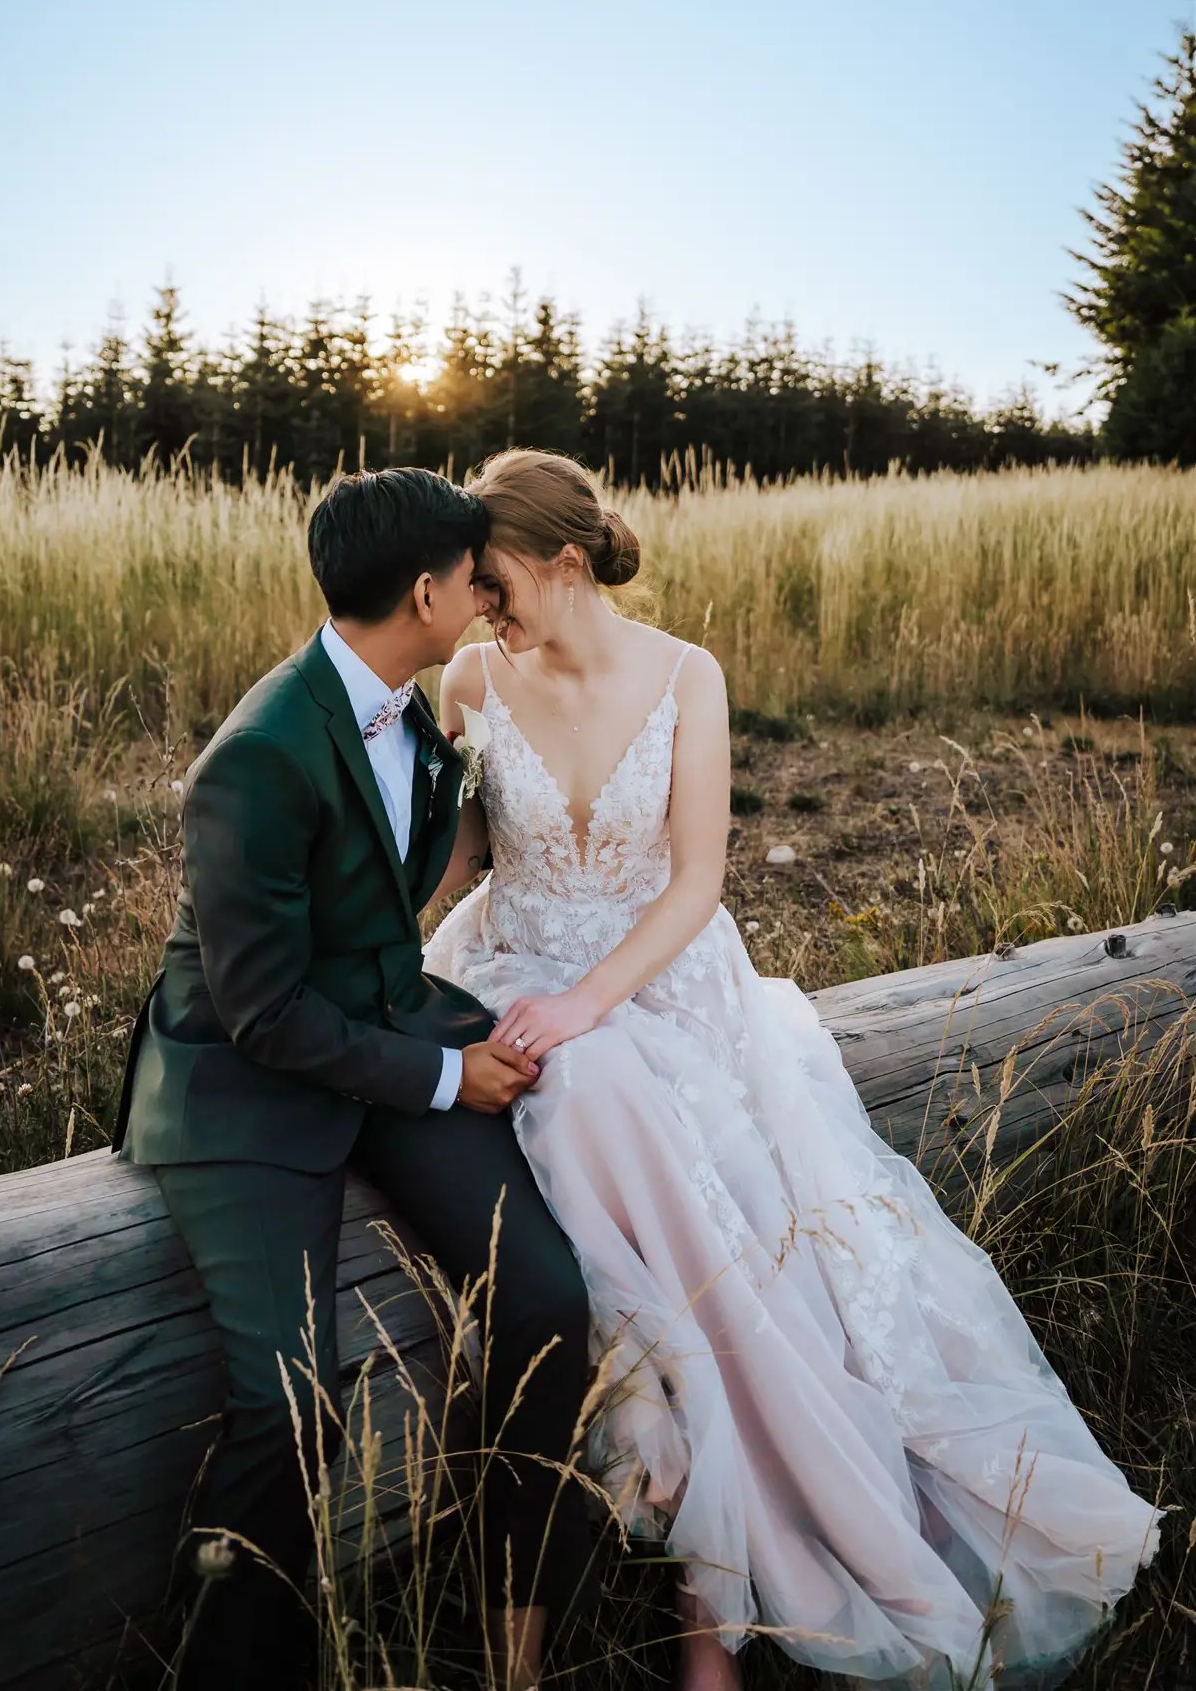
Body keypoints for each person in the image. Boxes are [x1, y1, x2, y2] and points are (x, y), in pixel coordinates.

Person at [422, 446, 1167, 1691]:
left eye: (496, 582)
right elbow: (457, 865)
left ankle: (714, 1604)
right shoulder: (469, 674)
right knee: (598, 1106)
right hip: (514, 958)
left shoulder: (688, 674)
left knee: (697, 1169)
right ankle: (701, 1580)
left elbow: (699, 878)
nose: (482, 607)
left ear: (564, 561)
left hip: (658, 973)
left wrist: (594, 1000)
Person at [111, 466, 597, 1691]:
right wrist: (445, 1077)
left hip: (383, 1036)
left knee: (547, 1297)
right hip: (250, 1085)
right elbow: (262, 1010)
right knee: (288, 1404)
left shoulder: (410, 705)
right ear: (427, 590)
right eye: (475, 577)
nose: (489, 592)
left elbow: (413, 874)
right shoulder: (256, 757)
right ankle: (236, 1667)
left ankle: (508, 1628)